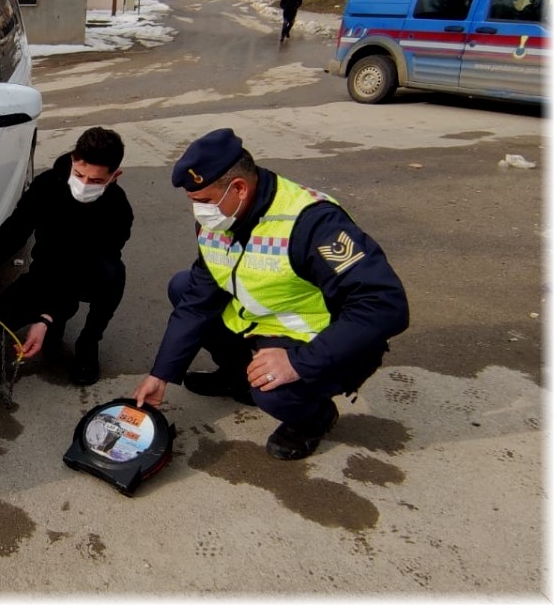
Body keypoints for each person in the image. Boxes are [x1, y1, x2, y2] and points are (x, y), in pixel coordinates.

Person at [132, 128, 408, 460]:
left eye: (203, 201)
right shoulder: (218, 219)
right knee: (182, 285)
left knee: (274, 393)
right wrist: (161, 374)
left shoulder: (314, 223)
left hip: (319, 339)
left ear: (238, 188)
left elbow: (384, 304)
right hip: (262, 322)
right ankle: (236, 377)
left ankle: (314, 417)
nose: (198, 212)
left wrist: (298, 363)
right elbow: (198, 301)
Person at [0, 127, 132, 386]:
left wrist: (47, 315)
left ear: (114, 176)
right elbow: (16, 229)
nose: (84, 185)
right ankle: (53, 322)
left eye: (95, 181)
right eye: (79, 175)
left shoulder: (118, 210)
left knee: (113, 275)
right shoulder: (47, 185)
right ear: (72, 161)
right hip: (44, 274)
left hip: (86, 276)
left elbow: (81, 266)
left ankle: (88, 343)